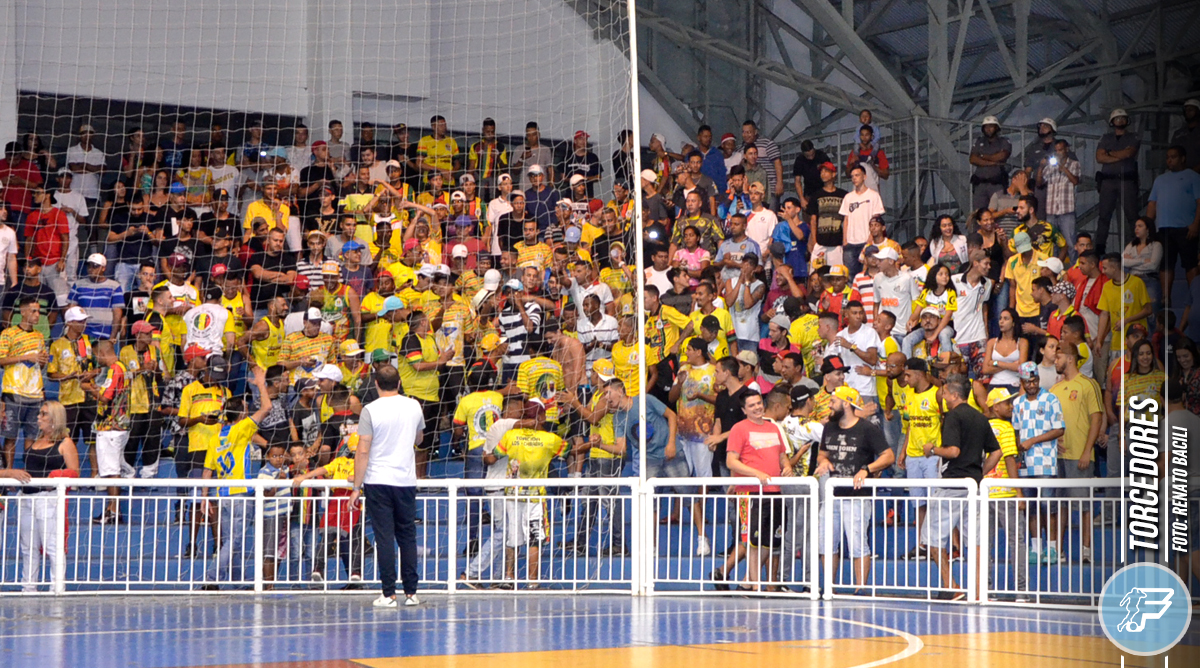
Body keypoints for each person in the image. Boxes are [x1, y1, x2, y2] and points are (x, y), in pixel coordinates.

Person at [346, 364, 424, 606]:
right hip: (405, 481)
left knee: (384, 537)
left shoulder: (370, 410)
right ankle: (411, 593)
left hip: (378, 481)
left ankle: (388, 593)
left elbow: (362, 450)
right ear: (399, 383)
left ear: (376, 384)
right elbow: (419, 438)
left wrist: (356, 488)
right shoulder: (414, 405)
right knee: (407, 536)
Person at [196, 374, 272, 590]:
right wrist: (261, 384)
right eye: (245, 409)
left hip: (222, 494)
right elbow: (267, 407)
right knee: (235, 540)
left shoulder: (215, 438)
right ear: (240, 414)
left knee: (232, 540)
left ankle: (239, 582)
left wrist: (204, 498)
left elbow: (207, 470)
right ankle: (212, 578)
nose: (247, 412)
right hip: (240, 493)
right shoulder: (242, 428)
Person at [815, 386, 894, 591]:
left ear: (846, 404)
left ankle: (860, 588)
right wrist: (824, 462)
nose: (829, 405)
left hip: (857, 495)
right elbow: (822, 453)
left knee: (857, 543)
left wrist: (867, 469)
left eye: (833, 401)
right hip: (832, 495)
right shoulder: (829, 427)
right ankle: (829, 587)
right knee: (826, 542)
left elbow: (888, 456)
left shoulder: (867, 429)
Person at [928, 379, 999, 599]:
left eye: (944, 393)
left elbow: (953, 451)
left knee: (932, 538)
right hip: (973, 486)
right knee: (975, 541)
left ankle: (952, 586)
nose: (942, 396)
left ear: (954, 395)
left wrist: (933, 450)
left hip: (952, 484)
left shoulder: (953, 416)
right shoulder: (980, 417)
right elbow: (996, 452)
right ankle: (977, 591)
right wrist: (979, 473)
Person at [725, 391, 792, 591]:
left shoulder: (774, 427)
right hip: (750, 492)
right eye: (751, 405)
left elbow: (782, 456)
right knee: (752, 541)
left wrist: (787, 467)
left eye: (758, 403)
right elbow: (731, 461)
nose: (757, 408)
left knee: (771, 540)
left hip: (774, 490)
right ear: (744, 410)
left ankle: (748, 582)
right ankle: (755, 585)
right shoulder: (739, 429)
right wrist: (756, 474)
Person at [14, 401, 80, 592]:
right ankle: (28, 587)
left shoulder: (65, 443)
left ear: (54, 418)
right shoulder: (36, 440)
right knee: (28, 546)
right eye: (39, 413)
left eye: (43, 414)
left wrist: (55, 477)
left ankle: (56, 588)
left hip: (48, 498)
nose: (38, 417)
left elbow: (75, 472)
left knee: (53, 546)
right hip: (26, 497)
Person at [1048, 341, 1103, 563]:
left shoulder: (1088, 385)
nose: (1055, 361)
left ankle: (1086, 550)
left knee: (1084, 504)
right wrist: (1053, 441)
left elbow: (1096, 418)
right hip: (1058, 457)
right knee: (1060, 504)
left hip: (1080, 455)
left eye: (1058, 357)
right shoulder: (1054, 389)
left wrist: (1087, 451)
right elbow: (1048, 422)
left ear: (1070, 358)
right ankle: (1058, 551)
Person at [1010, 361, 1066, 564]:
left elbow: (1059, 429)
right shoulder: (1018, 403)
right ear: (1022, 382)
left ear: (1038, 379)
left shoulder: (1051, 399)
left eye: (1034, 380)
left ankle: (1051, 548)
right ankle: (1035, 548)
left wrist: (1033, 440)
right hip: (1026, 465)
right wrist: (1019, 449)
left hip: (1046, 462)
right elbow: (1017, 431)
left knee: (1048, 506)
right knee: (1031, 508)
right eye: (1027, 381)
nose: (1031, 385)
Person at [896, 358, 942, 560]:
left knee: (935, 502)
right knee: (918, 503)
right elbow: (910, 426)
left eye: (908, 375)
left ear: (919, 374)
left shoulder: (937, 394)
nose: (905, 379)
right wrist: (903, 451)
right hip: (913, 456)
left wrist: (941, 450)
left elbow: (945, 422)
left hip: (932, 456)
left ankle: (937, 544)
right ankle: (922, 544)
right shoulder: (908, 395)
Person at [1146, 145, 1200, 303]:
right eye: (1168, 157)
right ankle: (1165, 298)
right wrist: (1148, 227)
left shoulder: (1193, 177)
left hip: (1186, 228)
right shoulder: (1160, 179)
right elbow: (1152, 204)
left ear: (1183, 158)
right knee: (1165, 264)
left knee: (1190, 263)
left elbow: (1199, 202)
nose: (1169, 160)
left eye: (1173, 157)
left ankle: (1195, 296)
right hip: (1164, 228)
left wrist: (1195, 224)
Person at [0, 297, 48, 470]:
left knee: (32, 436)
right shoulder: (8, 334)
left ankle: (29, 472)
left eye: (39, 311)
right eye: (33, 311)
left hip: (35, 393)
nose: (37, 315)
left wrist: (41, 361)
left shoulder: (39, 336)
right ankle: (8, 473)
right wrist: (26, 357)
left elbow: (40, 365)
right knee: (10, 437)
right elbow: (1, 360)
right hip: (14, 392)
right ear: (23, 311)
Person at [1094, 109, 1140, 251]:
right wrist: (1121, 155)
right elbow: (1099, 157)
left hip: (1126, 180)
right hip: (1108, 181)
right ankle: (1099, 248)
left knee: (1132, 215)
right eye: (1117, 118)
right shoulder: (1106, 137)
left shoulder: (1133, 136)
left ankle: (1139, 245)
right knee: (1104, 215)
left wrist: (1109, 153)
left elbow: (1129, 153)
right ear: (1112, 122)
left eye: (1122, 118)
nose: (1120, 120)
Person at [838, 165, 885, 277]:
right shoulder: (848, 197)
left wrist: (871, 237)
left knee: (868, 273)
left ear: (864, 177)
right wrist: (845, 240)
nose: (854, 178)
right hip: (850, 243)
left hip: (866, 241)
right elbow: (846, 219)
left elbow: (876, 218)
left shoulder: (873, 195)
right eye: (852, 176)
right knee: (850, 276)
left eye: (857, 175)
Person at [970, 116, 1012, 211]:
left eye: (991, 126)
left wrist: (982, 156)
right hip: (980, 183)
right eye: (986, 126)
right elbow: (972, 159)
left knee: (997, 210)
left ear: (996, 128)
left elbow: (1002, 156)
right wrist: (992, 163)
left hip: (996, 183)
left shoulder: (1003, 141)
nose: (988, 129)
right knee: (978, 213)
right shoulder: (979, 141)